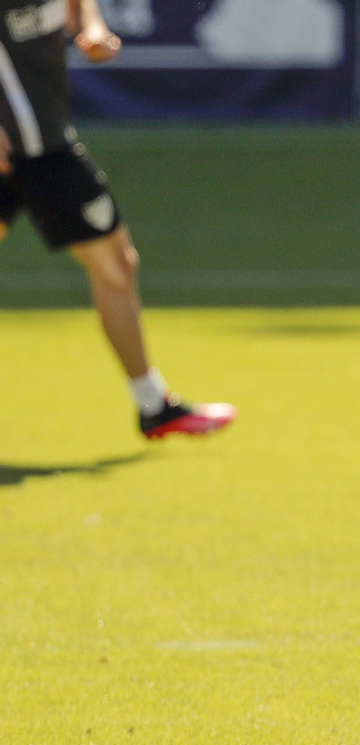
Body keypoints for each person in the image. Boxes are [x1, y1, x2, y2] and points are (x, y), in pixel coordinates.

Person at [0, 0, 235, 438]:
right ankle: (153, 405)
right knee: (115, 265)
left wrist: (91, 27)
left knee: (117, 265)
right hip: (33, 152)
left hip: (43, 143)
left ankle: (154, 405)